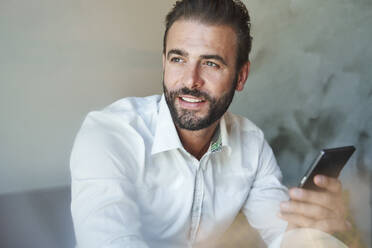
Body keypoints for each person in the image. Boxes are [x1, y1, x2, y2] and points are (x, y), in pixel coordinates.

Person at [70, 0, 349, 247]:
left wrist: (314, 230)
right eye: (178, 59)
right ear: (164, 64)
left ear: (241, 76)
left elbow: (281, 237)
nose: (190, 80)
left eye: (211, 64)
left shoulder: (251, 145)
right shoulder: (109, 134)